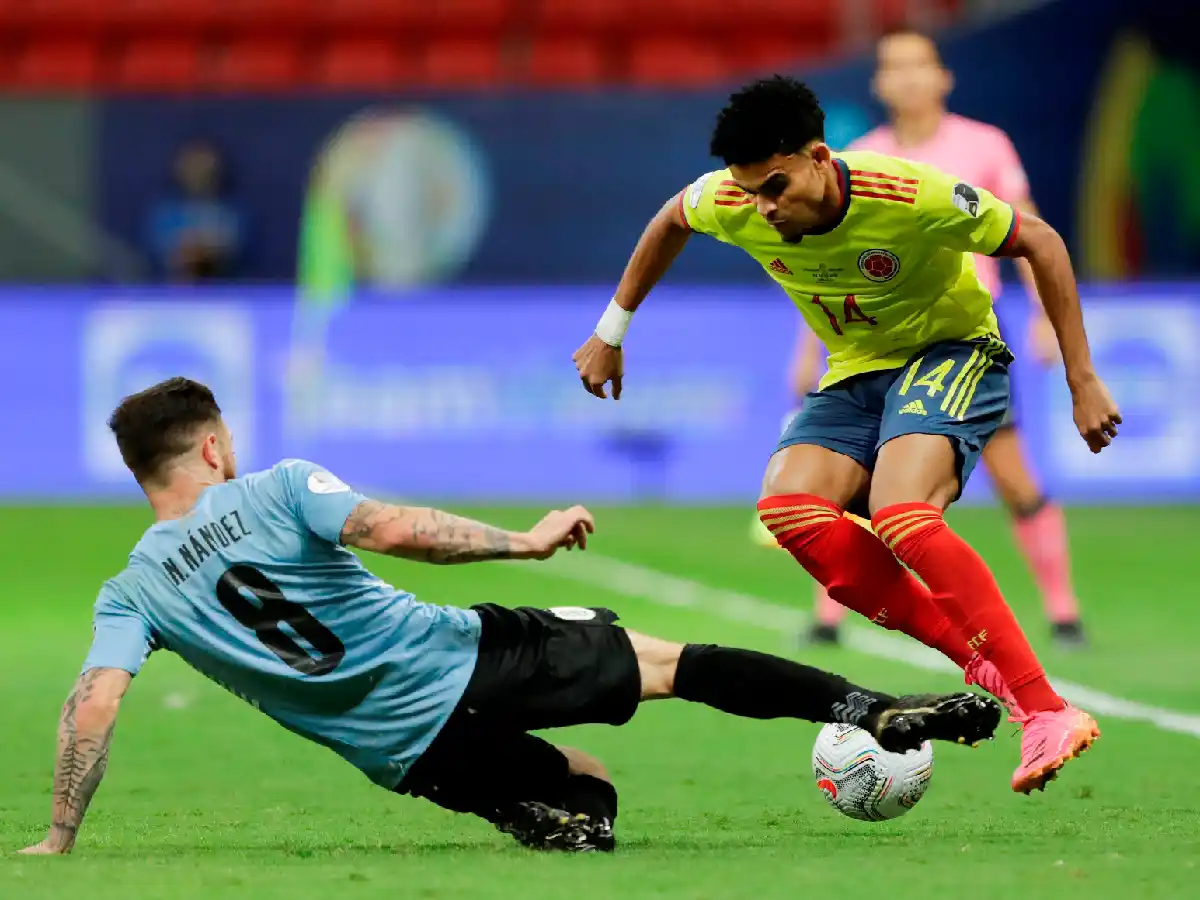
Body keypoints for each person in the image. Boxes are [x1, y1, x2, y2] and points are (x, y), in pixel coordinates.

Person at [19, 377, 1001, 857]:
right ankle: (869, 704)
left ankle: (533, 812)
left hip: (399, 751)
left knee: (588, 796)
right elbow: (392, 528)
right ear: (212, 447)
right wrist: (522, 544)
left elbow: (93, 707)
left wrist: (62, 832)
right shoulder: (275, 486)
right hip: (464, 656)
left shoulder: (132, 590)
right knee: (673, 663)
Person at [571, 76, 1120, 794]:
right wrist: (612, 330)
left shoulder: (912, 195)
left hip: (952, 352)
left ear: (820, 157)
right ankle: (978, 658)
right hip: (856, 374)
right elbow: (672, 218)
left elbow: (1040, 241)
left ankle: (1045, 709)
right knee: (788, 507)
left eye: (776, 185)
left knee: (901, 513)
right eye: (751, 192)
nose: (764, 209)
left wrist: (1082, 379)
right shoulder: (733, 200)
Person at [766, 29, 1087, 649]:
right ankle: (828, 616)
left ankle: (1063, 611)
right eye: (894, 67)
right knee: (854, 481)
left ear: (944, 77)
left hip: (963, 340)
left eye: (919, 65)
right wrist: (808, 350)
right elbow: (825, 273)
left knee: (1013, 480)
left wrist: (1047, 318)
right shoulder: (859, 155)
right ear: (879, 83)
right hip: (877, 340)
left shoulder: (984, 145)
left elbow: (1029, 231)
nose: (908, 78)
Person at [144, 140, 247, 282]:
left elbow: (232, 251)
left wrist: (206, 254)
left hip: (224, 289)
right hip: (171, 290)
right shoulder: (163, 213)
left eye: (204, 168)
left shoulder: (233, 213)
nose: (198, 173)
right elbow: (163, 252)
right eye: (193, 166)